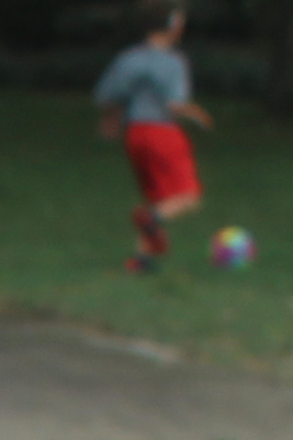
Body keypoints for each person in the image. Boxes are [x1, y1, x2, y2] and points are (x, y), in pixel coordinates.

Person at [93, 6, 217, 275]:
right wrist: (198, 114)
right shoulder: (174, 62)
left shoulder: (128, 59)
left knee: (158, 197)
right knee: (187, 197)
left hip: (135, 133)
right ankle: (152, 220)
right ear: (173, 27)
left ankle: (141, 260)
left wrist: (111, 119)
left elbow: (109, 95)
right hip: (164, 132)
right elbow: (174, 105)